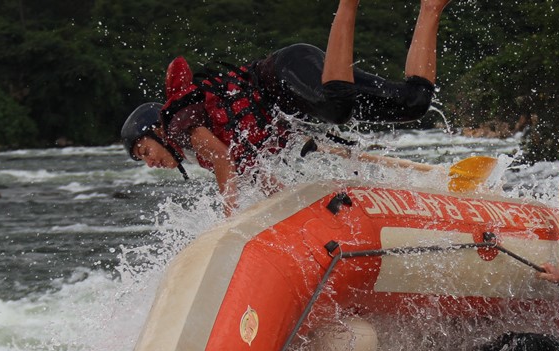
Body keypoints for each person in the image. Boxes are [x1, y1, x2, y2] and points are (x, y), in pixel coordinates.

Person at [120, 0, 451, 206]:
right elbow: (261, 179)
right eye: (142, 160)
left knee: (338, 107)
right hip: (299, 88)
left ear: (157, 131)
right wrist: (296, 211)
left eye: (145, 151)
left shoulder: (179, 124)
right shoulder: (213, 150)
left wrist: (229, 222)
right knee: (412, 103)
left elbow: (223, 159)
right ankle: (431, 7)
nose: (150, 163)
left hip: (285, 74)